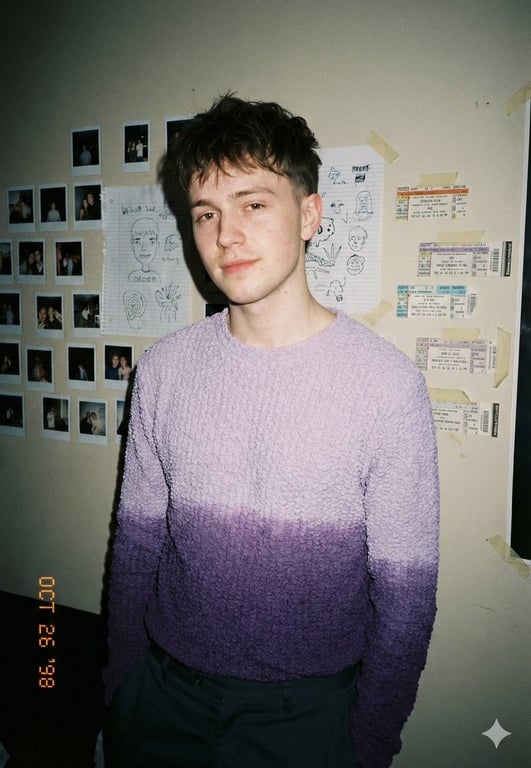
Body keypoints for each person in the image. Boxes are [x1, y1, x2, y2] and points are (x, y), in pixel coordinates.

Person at [104, 94, 440, 768]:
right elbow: (136, 547)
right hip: (162, 701)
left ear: (309, 215)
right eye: (206, 214)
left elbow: (405, 599)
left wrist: (369, 744)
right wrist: (119, 694)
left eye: (253, 204)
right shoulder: (163, 371)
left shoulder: (387, 386)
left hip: (307, 719)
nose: (226, 236)